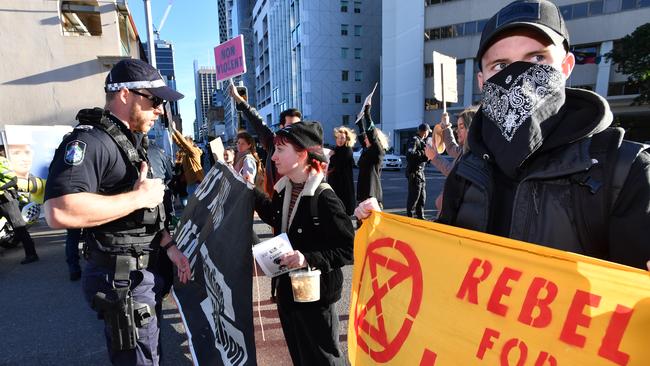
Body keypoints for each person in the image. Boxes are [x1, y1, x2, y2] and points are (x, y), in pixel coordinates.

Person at [361, 0, 650, 271]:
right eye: (500, 66)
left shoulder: (624, 172)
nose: (518, 77)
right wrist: (385, 230)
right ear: (482, 81)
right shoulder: (468, 168)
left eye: (537, 58)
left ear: (566, 67)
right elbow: (444, 256)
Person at [43, 58, 191, 365]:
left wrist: (169, 246)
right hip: (123, 280)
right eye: (154, 101)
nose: (160, 110)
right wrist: (138, 198)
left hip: (143, 271)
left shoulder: (127, 140)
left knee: (150, 353)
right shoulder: (90, 140)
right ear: (125, 94)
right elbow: (59, 210)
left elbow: (142, 215)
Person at [252, 121, 354, 365]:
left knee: (324, 360)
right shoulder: (285, 188)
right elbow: (274, 215)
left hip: (316, 298)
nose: (273, 157)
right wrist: (248, 189)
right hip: (288, 293)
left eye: (280, 150)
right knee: (300, 357)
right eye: (274, 149)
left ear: (302, 153)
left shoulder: (325, 197)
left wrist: (307, 258)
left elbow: (348, 249)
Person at [229, 84, 301, 197]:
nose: (295, 129)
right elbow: (256, 120)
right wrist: (238, 98)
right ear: (281, 127)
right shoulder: (272, 142)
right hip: (274, 203)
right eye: (291, 125)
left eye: (298, 125)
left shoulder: (304, 148)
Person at [426, 107, 478, 212]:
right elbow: (451, 147)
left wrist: (434, 157)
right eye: (457, 126)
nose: (457, 130)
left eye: (461, 127)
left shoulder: (474, 154)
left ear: (472, 128)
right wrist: (446, 127)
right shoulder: (465, 150)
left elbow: (454, 173)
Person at [0, 152, 39, 264]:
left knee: (19, 227)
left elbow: (13, 180)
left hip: (6, 200)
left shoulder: (1, 161)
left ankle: (31, 254)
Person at [355, 103, 387, 208]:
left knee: (372, 224)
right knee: (361, 223)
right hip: (362, 194)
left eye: (367, 137)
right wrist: (360, 122)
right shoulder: (367, 150)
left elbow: (371, 135)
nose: (365, 139)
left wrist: (367, 115)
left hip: (372, 196)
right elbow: (363, 135)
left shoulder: (378, 152)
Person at [170, 120, 204, 199]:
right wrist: (172, 133)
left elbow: (184, 144)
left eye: (186, 143)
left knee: (195, 207)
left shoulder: (194, 151)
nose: (184, 146)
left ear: (191, 144)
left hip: (196, 183)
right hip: (190, 183)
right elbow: (180, 143)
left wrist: (175, 130)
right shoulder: (186, 152)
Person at [327, 126, 357, 215]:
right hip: (336, 184)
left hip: (343, 185)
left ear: (347, 139)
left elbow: (338, 162)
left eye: (342, 138)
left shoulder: (347, 150)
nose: (340, 140)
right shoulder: (337, 149)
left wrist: (332, 156)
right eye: (338, 137)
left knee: (343, 209)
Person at [405, 123, 431, 219]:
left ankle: (421, 218)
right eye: (428, 131)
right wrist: (424, 155)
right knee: (414, 198)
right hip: (415, 173)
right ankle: (410, 218)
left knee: (422, 198)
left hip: (420, 173)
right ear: (425, 132)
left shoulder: (421, 141)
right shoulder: (414, 140)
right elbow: (410, 155)